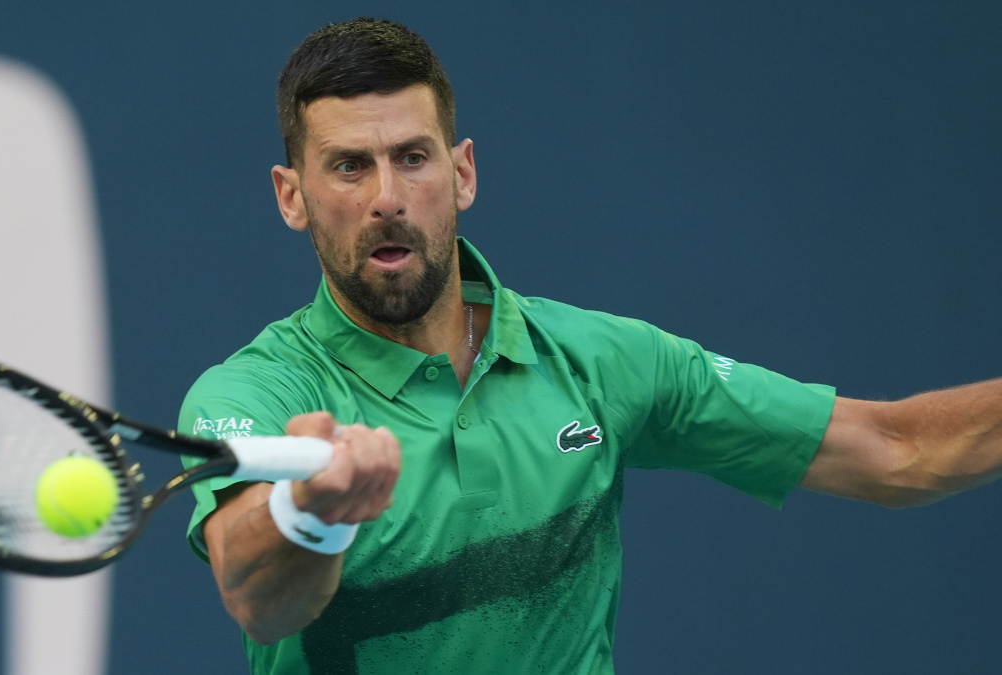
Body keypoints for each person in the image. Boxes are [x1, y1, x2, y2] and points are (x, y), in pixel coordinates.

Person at [178, 17, 1002, 674]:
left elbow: (895, 449)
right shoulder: (254, 395)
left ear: (462, 173)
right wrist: (312, 507)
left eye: (413, 158)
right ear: (293, 195)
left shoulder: (598, 361)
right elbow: (259, 598)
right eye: (350, 167)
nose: (389, 197)